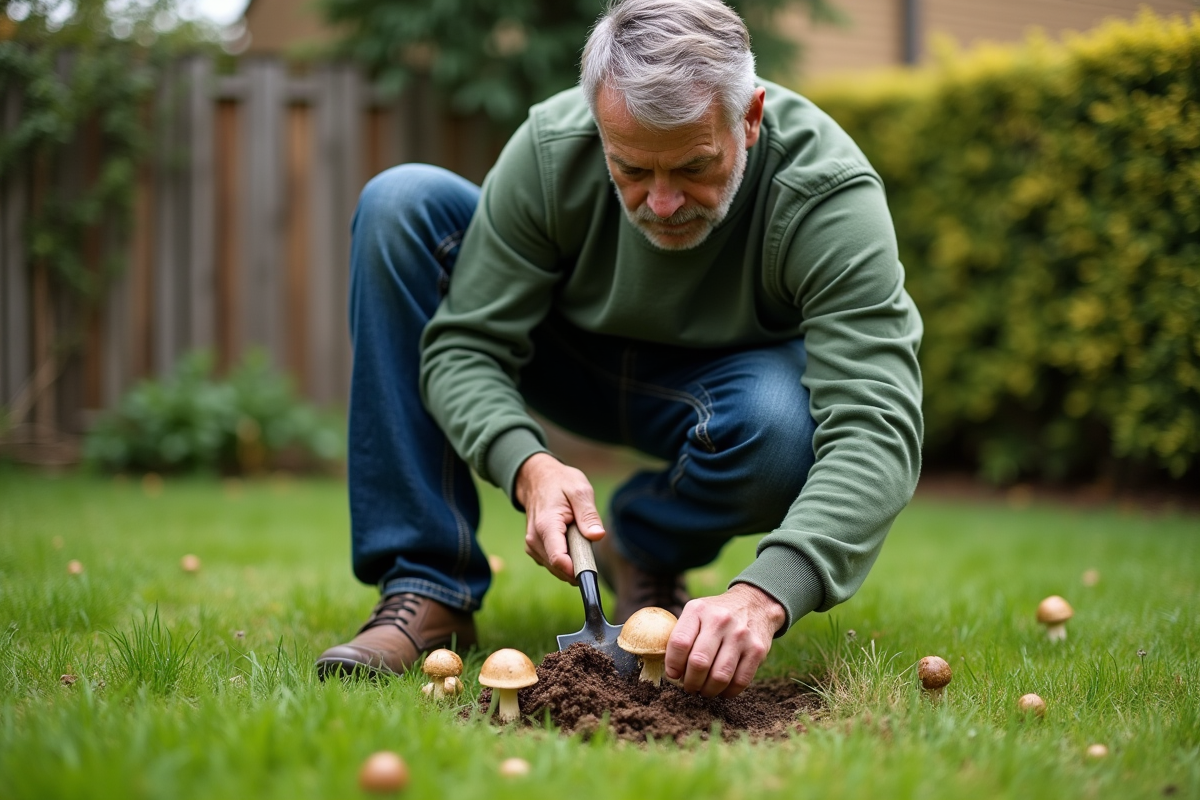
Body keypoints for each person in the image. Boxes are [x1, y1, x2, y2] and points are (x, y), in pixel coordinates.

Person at [316, 0, 923, 699]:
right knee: (401, 203)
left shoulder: (826, 193)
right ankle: (428, 587)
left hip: (726, 395)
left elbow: (878, 426)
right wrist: (528, 465)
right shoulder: (552, 146)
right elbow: (465, 346)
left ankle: (646, 547)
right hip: (564, 361)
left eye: (694, 167)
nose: (661, 202)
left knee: (783, 428)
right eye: (631, 168)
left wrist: (766, 592)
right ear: (599, 124)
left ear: (750, 117)